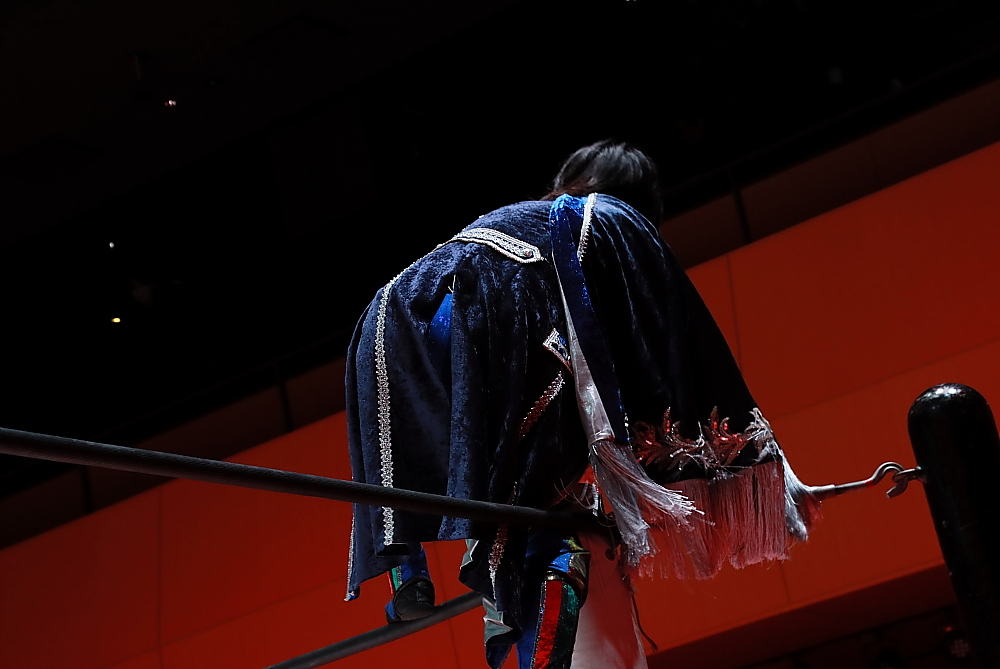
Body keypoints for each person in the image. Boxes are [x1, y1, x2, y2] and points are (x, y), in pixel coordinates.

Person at [345, 140, 820, 668]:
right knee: (547, 522)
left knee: (429, 460)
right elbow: (669, 340)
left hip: (389, 316)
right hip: (486, 315)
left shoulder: (525, 216)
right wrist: (758, 466)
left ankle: (407, 571)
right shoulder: (609, 217)